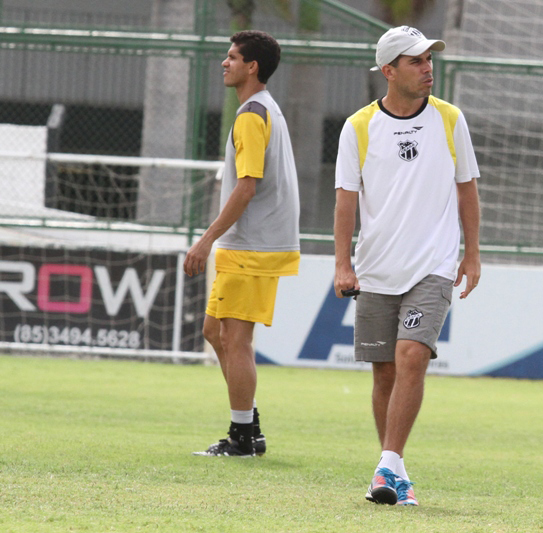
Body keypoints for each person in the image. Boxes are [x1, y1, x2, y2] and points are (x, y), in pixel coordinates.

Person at [333, 25, 481, 505]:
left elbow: (467, 189)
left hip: (432, 267)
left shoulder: (450, 119)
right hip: (375, 270)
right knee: (383, 374)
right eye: (417, 60)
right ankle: (394, 472)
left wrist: (472, 254)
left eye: (429, 59)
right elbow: (345, 200)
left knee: (412, 356)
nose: (428, 67)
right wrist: (342, 264)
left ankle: (386, 465)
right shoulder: (357, 126)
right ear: (389, 70)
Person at [184, 30, 300, 457]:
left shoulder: (253, 115)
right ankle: (248, 424)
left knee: (236, 339)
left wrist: (204, 240)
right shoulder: (261, 110)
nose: (224, 62)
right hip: (249, 243)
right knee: (214, 332)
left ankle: (244, 438)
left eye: (232, 57)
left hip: (255, 244)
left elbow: (247, 187)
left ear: (253, 67)